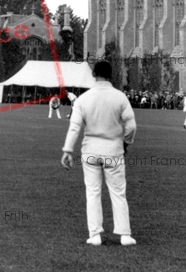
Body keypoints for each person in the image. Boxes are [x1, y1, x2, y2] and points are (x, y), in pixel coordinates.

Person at [61, 61, 137, 247]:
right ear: (111, 74)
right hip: (113, 150)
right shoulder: (120, 97)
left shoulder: (83, 99)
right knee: (118, 193)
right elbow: (131, 126)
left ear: (94, 74)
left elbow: (75, 127)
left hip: (90, 151)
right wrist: (126, 142)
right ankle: (124, 234)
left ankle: (95, 234)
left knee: (93, 192)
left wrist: (68, 150)